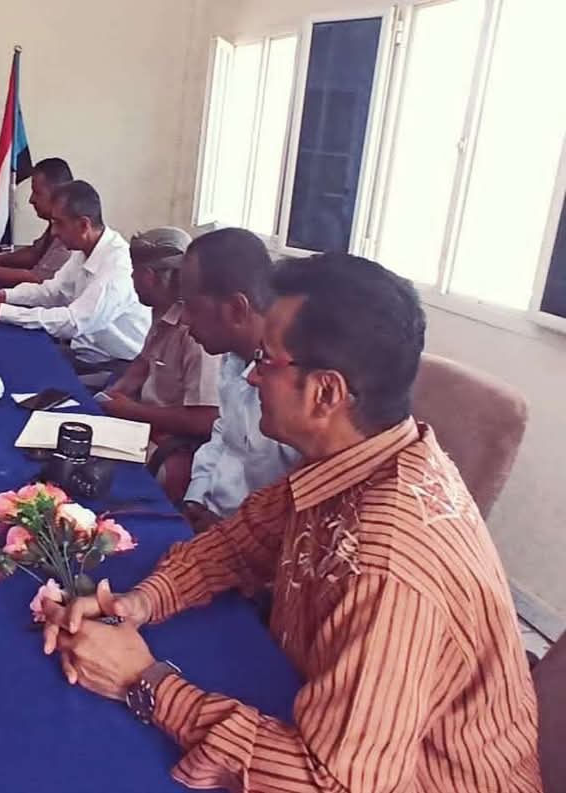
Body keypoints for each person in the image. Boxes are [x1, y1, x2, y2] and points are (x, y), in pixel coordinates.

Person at [40, 253, 543, 793]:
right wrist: (139, 603)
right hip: (340, 723)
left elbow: (332, 783)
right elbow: (238, 545)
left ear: (326, 392)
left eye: (266, 359)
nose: (252, 374)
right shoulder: (362, 458)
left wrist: (145, 683)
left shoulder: (386, 565)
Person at [176, 228, 299, 531]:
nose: (184, 320)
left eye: (192, 307)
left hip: (248, 540)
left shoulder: (292, 389)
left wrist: (230, 532)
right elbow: (222, 434)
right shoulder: (233, 359)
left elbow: (288, 506)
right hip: (209, 519)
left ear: (236, 309)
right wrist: (196, 498)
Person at [0, 180, 150, 372]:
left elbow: (73, 322)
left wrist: (1, 312)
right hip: (84, 351)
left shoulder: (117, 268)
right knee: (7, 355)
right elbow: (52, 291)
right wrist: (3, 296)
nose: (54, 232)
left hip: (116, 366)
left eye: (59, 223)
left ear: (83, 225)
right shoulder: (84, 249)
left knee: (17, 368)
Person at [99, 227, 221, 502]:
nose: (131, 279)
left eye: (134, 272)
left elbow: (205, 419)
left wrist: (133, 411)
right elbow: (144, 363)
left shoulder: (197, 335)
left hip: (170, 442)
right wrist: (115, 393)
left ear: (149, 276)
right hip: (143, 423)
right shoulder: (162, 310)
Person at [0, 157, 75, 286]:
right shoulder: (57, 222)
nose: (31, 199)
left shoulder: (70, 231)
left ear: (57, 194)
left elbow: (37, 279)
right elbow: (34, 253)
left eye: (37, 193)